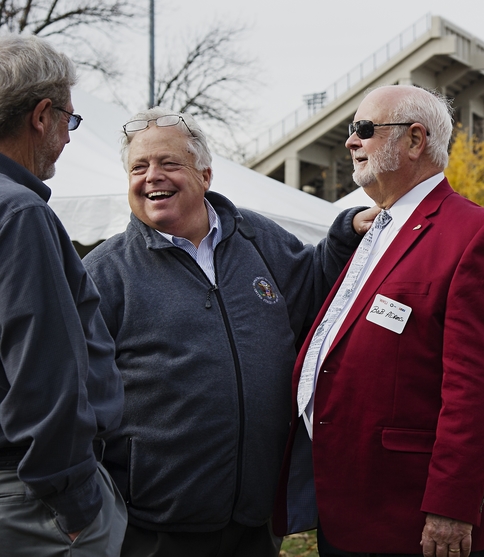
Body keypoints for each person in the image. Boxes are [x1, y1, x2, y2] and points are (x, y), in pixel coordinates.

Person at [82, 107, 370, 557]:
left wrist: (346, 233)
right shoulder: (103, 272)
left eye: (169, 163)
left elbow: (313, 286)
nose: (152, 177)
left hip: (255, 518)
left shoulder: (257, 237)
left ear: (205, 174)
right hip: (156, 525)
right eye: (139, 167)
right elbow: (76, 396)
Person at [276, 85, 484, 557]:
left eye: (364, 130)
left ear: (414, 140)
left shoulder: (475, 233)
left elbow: (479, 387)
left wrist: (453, 505)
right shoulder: (375, 229)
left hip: (415, 515)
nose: (351, 142)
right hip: (352, 503)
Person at [0, 34, 126, 556]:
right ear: (42, 115)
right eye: (70, 121)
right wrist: (73, 502)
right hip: (33, 501)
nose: (70, 138)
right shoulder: (21, 213)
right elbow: (44, 369)